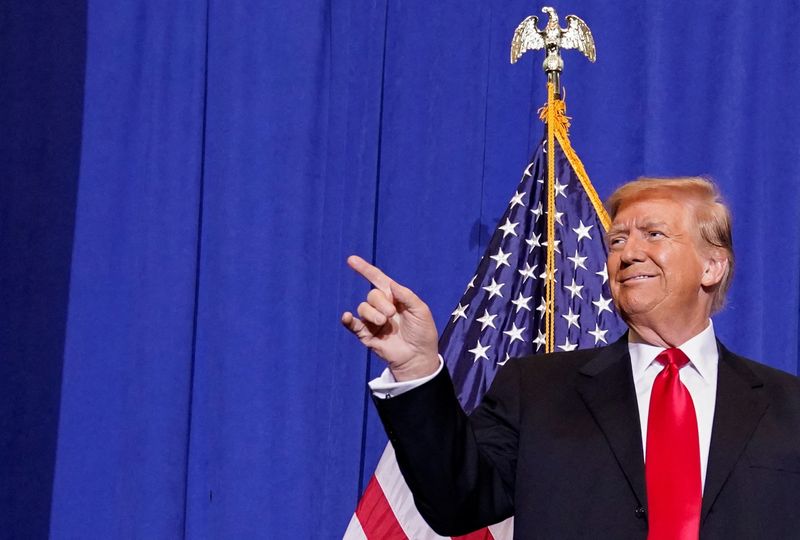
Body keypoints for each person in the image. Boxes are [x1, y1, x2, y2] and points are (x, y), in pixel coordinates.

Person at [341, 177, 800, 539]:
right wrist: (415, 367)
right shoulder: (535, 390)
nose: (627, 253)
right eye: (617, 240)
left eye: (652, 234)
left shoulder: (789, 406)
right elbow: (455, 502)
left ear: (712, 265)